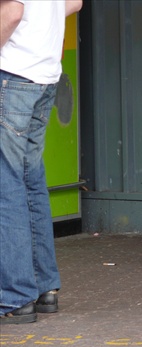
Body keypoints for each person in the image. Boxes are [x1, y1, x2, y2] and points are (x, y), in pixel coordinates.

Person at [0, 0, 83, 324]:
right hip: (45, 74)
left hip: (13, 74)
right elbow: (74, 2)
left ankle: (16, 295)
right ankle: (43, 287)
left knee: (6, 185)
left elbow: (14, 11)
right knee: (30, 179)